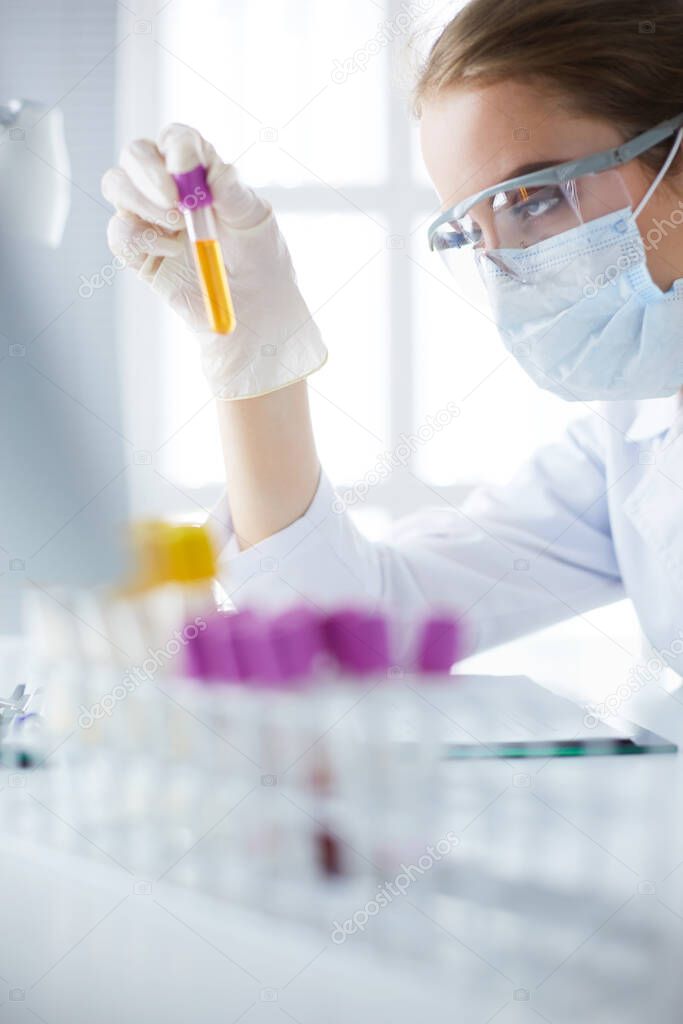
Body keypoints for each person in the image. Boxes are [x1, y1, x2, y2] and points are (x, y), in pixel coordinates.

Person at [102, 0, 683, 669]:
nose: (510, 272)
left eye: (533, 200)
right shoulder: (631, 445)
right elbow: (352, 624)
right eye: (473, 233)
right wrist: (256, 354)